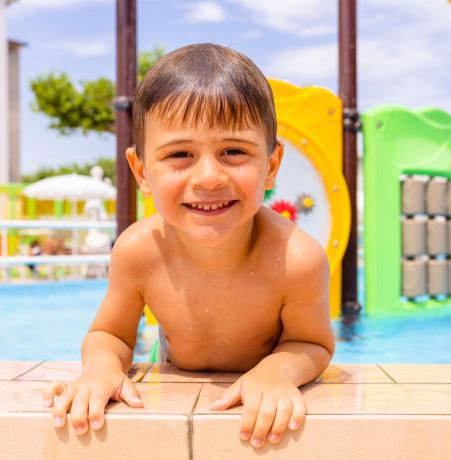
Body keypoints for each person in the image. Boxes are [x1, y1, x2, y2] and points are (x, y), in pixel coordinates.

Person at [44, 43, 335, 448]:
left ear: (270, 165)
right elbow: (110, 334)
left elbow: (313, 343)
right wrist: (100, 369)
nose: (210, 177)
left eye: (233, 151)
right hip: (171, 366)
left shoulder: (295, 260)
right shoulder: (139, 251)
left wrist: (278, 372)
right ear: (141, 171)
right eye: (180, 154)